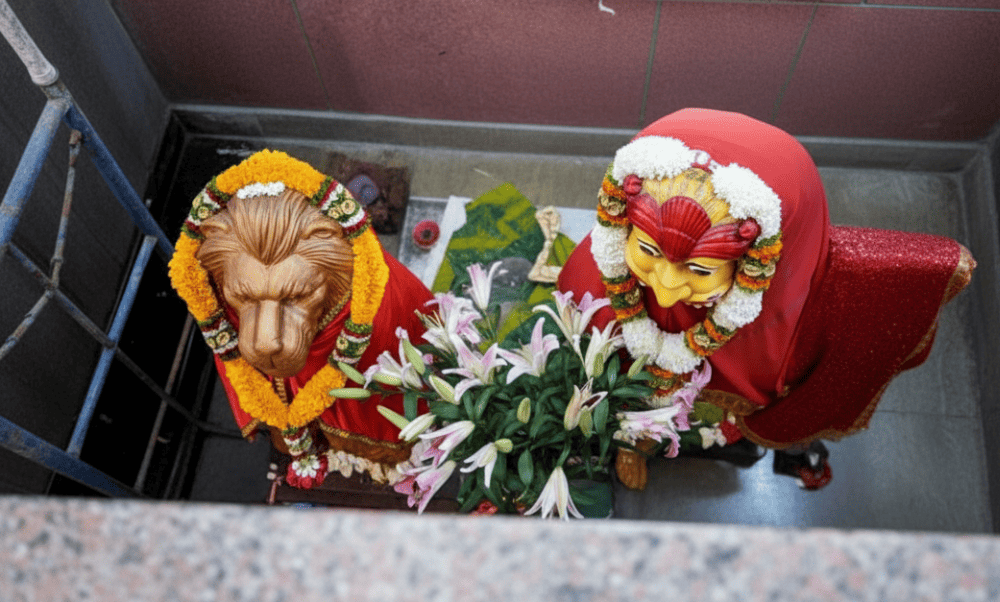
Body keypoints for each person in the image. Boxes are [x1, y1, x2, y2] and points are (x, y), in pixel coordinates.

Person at [558, 108, 975, 489]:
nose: (667, 289)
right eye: (648, 251)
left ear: (765, 259)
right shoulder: (600, 270)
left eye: (701, 270)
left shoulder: (796, 320)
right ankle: (631, 443)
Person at [169, 150, 434, 488]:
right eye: (245, 297)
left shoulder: (380, 307)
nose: (266, 341)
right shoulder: (220, 303)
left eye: (294, 297)